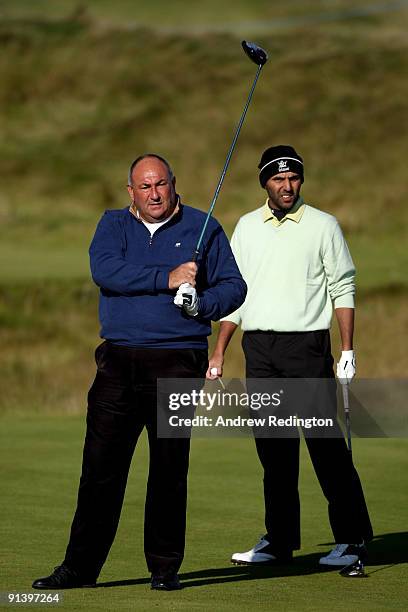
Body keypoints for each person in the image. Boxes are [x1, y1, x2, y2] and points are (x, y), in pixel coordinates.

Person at [32, 154, 246, 591]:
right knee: (99, 468)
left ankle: (164, 570)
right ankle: (79, 568)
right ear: (131, 191)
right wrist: (165, 278)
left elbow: (234, 286)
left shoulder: (203, 226)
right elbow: (106, 271)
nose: (154, 194)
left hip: (177, 362)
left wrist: (202, 304)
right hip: (117, 361)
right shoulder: (112, 225)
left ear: (173, 184)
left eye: (161, 184)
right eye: (145, 187)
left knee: (169, 469)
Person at [207, 145, 373, 568]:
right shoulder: (246, 227)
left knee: (326, 448)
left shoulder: (323, 225)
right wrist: (220, 350)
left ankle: (352, 539)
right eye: (278, 179)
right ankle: (280, 540)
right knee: (274, 453)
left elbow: (343, 287)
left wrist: (347, 349)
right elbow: (235, 296)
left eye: (294, 178)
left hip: (307, 349)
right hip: (260, 352)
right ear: (265, 182)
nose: (287, 185)